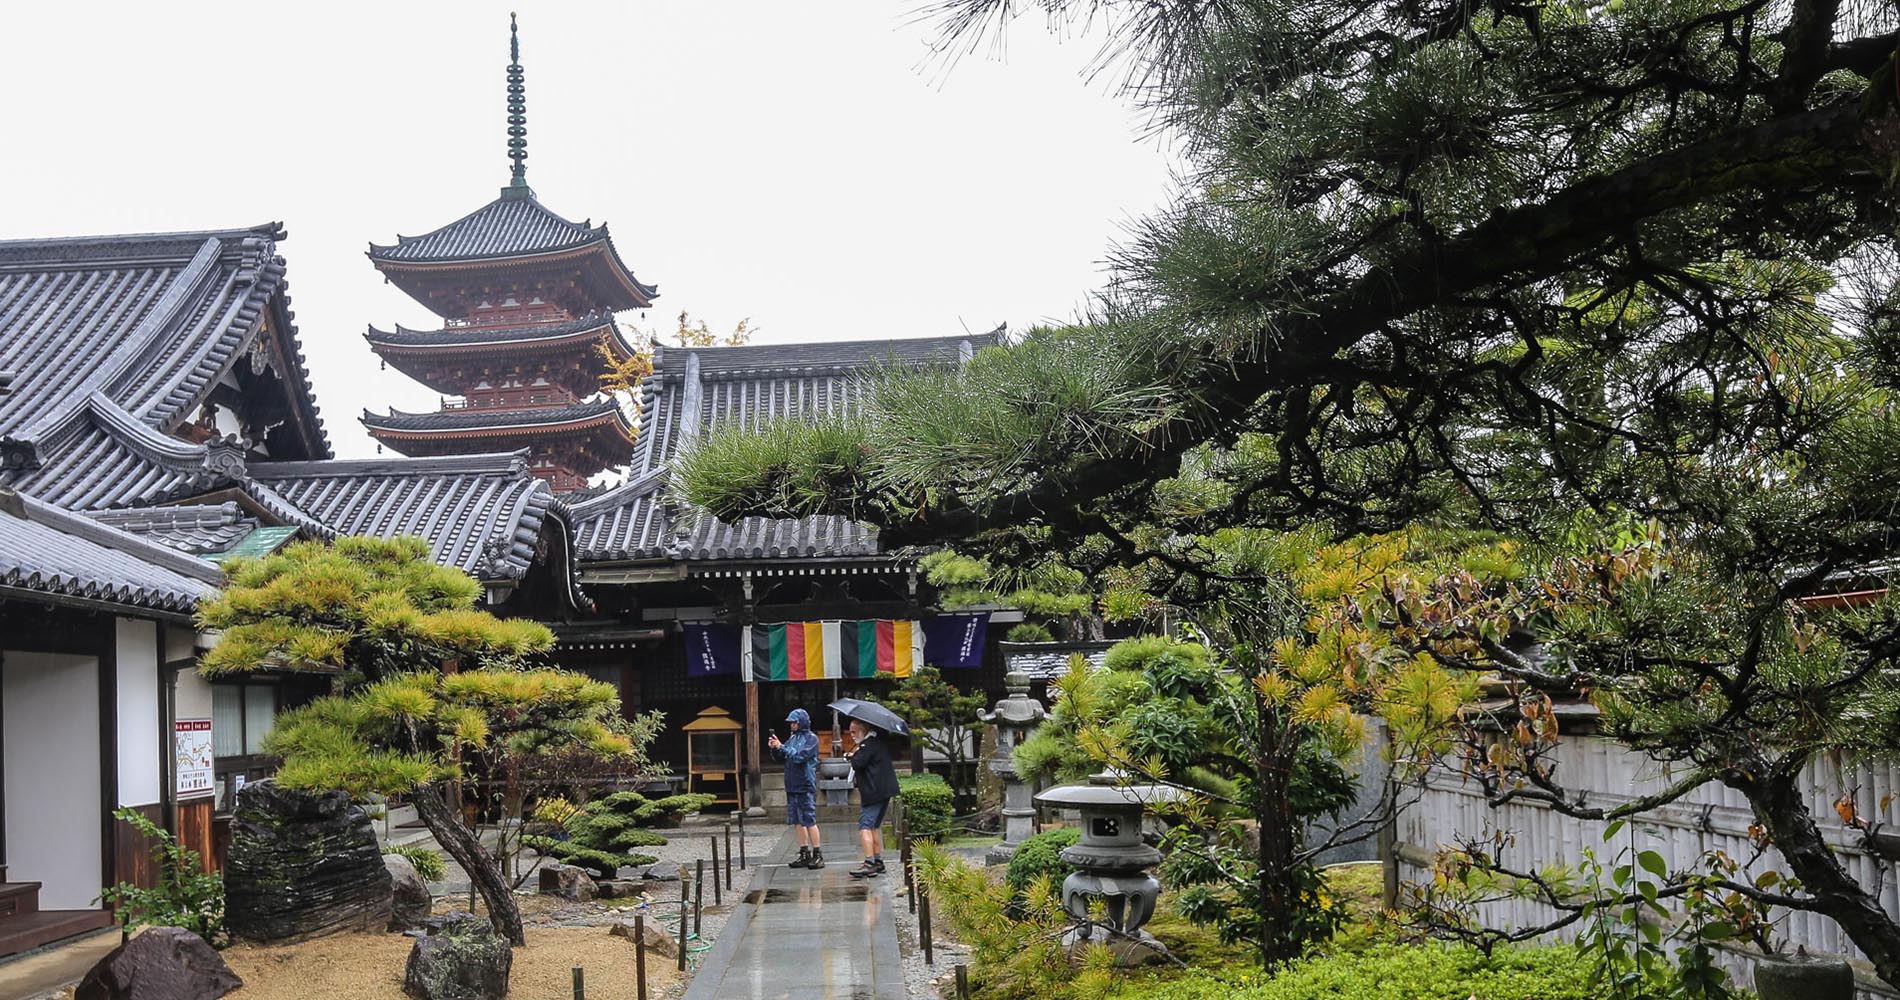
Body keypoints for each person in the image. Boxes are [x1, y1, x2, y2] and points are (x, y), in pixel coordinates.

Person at [767, 708, 824, 869]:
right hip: (791, 784)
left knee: (809, 819)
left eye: (794, 722)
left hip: (805, 784)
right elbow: (782, 757)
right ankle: (804, 852)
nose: (792, 725)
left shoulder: (811, 739)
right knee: (797, 821)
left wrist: (782, 747)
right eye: (791, 722)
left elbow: (800, 757)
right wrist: (775, 747)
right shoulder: (792, 739)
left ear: (801, 723)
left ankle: (817, 853)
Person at [845, 717, 900, 879]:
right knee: (874, 826)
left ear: (864, 730)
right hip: (884, 791)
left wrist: (852, 755)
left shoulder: (868, 745)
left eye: (854, 731)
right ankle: (877, 861)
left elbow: (859, 763)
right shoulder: (876, 743)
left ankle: (869, 863)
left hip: (874, 792)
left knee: (865, 826)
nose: (852, 735)